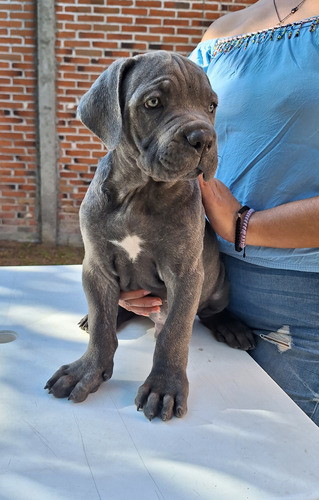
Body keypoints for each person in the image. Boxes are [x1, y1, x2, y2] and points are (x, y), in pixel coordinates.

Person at [118, 0, 319, 425]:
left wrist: (247, 224)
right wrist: (129, 264)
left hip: (300, 296)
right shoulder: (221, 33)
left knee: (288, 457)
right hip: (198, 280)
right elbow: (159, 147)